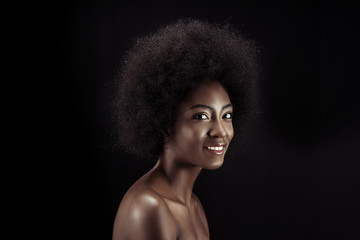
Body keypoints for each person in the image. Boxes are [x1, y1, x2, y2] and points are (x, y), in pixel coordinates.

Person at [111, 19, 259, 240]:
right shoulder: (148, 206)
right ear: (164, 122)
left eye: (226, 115)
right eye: (201, 116)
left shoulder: (194, 206)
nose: (220, 131)